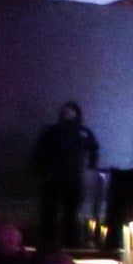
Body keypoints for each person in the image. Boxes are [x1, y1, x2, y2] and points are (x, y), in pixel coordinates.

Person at [29, 100, 98, 251]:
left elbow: (93, 150)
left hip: (71, 179)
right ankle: (48, 242)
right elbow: (39, 152)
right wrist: (38, 170)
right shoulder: (52, 132)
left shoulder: (82, 133)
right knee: (50, 212)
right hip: (54, 178)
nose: (67, 115)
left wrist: (92, 165)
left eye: (70, 112)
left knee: (70, 213)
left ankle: (69, 243)